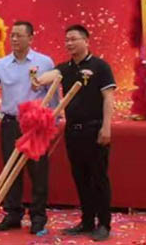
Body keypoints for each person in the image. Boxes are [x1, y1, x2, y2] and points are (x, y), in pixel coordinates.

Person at [0, 20, 56, 235]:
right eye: (12, 35)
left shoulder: (45, 62)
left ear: (30, 38)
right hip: (11, 122)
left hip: (36, 126)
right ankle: (13, 214)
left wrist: (54, 120)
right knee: (11, 170)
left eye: (19, 35)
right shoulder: (1, 64)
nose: (14, 39)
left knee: (38, 172)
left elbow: (53, 93)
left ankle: (38, 216)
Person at [36, 24, 115, 242]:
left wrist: (106, 127)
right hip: (73, 131)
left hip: (95, 129)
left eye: (73, 39)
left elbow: (108, 98)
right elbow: (49, 76)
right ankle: (87, 221)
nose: (69, 43)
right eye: (67, 40)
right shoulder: (66, 68)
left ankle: (104, 224)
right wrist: (36, 78)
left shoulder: (100, 66)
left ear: (86, 41)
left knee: (98, 177)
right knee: (80, 177)